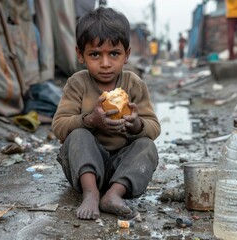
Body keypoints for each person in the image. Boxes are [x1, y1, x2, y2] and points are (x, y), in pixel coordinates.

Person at [52, 7, 161, 220]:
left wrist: (137, 125)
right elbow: (59, 126)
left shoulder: (134, 84)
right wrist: (90, 120)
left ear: (126, 55)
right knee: (78, 135)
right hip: (84, 169)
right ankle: (91, 193)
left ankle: (113, 194)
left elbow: (154, 127)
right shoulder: (77, 84)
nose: (105, 63)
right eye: (94, 54)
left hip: (120, 166)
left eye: (114, 54)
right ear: (80, 55)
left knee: (147, 146)